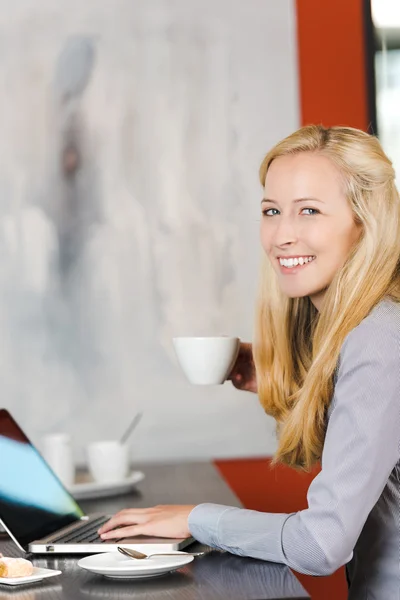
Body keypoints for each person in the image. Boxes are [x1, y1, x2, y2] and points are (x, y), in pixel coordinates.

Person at [98, 125, 400, 599]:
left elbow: (321, 544)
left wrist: (194, 517)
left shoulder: (379, 336)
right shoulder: (366, 326)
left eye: (310, 211)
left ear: (365, 221)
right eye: (272, 211)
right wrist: (294, 385)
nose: (282, 235)